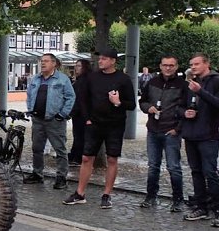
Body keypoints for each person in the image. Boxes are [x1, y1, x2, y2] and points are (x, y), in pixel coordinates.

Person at [63, 48, 136, 208]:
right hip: (94, 123)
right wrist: (87, 118)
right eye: (100, 59)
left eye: (104, 58)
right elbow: (82, 99)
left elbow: (132, 104)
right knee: (86, 158)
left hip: (115, 125)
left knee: (112, 159)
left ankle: (106, 194)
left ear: (113, 61)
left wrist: (118, 102)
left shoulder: (123, 79)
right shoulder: (92, 78)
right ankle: (80, 193)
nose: (100, 61)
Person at [181, 53, 219, 227]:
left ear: (206, 64)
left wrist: (200, 91)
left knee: (210, 172)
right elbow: (181, 106)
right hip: (191, 133)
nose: (193, 67)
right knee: (196, 171)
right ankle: (201, 206)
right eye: (191, 64)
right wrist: (185, 112)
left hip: (209, 135)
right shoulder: (191, 83)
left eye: (196, 64)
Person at [138, 55, 187, 211]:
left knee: (174, 167)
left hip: (171, 131)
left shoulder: (182, 85)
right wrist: (148, 108)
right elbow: (142, 101)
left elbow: (187, 109)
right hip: (153, 129)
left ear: (176, 66)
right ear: (160, 66)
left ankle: (178, 199)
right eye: (165, 65)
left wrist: (177, 129)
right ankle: (151, 196)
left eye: (171, 65)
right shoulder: (152, 82)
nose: (168, 68)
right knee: (153, 166)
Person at [23, 53, 75, 189]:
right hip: (38, 120)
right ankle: (37, 174)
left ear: (54, 63)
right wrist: (30, 109)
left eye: (46, 61)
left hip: (55, 121)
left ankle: (61, 177)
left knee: (60, 150)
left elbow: (71, 97)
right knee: (37, 149)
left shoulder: (62, 79)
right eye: (41, 61)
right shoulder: (36, 79)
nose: (43, 63)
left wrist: (62, 114)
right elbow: (29, 95)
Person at [67, 59, 92, 165]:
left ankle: (77, 156)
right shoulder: (80, 80)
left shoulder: (84, 81)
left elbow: (80, 98)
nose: (76, 68)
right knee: (77, 135)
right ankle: (74, 154)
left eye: (78, 66)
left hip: (82, 113)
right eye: (76, 66)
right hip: (78, 113)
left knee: (80, 135)